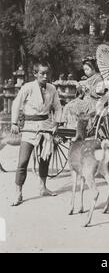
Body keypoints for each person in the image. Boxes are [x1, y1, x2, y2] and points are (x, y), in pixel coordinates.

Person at [11, 61, 62, 206]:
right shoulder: (28, 87)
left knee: (45, 158)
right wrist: (14, 123)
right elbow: (16, 104)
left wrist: (56, 123)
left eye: (47, 73)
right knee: (23, 161)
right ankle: (18, 192)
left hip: (46, 127)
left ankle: (43, 187)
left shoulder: (52, 88)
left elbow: (57, 107)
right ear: (35, 74)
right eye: (42, 73)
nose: (45, 76)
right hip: (30, 127)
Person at [61, 56, 106, 131]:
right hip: (85, 100)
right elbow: (81, 94)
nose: (85, 71)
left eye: (87, 69)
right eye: (84, 69)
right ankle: (67, 126)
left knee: (72, 107)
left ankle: (76, 127)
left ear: (94, 68)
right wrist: (80, 89)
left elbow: (99, 93)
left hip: (94, 102)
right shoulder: (87, 79)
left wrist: (88, 88)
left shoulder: (99, 78)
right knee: (68, 105)